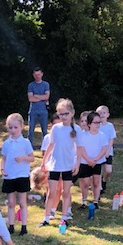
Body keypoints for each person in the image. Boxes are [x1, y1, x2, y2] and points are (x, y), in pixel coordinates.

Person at [39, 98, 82, 228]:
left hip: (68, 165)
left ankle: (64, 218)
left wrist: (77, 164)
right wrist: (44, 161)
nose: (63, 117)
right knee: (52, 192)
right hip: (55, 165)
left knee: (66, 192)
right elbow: (51, 145)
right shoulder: (56, 128)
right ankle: (46, 218)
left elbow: (79, 150)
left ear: (72, 113)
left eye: (66, 114)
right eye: (60, 114)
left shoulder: (77, 130)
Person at [1, 113, 34, 236]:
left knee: (22, 202)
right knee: (10, 202)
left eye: (15, 127)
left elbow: (32, 158)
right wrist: (2, 169)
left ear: (21, 127)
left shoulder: (25, 142)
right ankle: (11, 225)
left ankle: (24, 226)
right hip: (9, 176)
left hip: (22, 175)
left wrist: (23, 158)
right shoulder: (6, 143)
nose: (13, 130)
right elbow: (3, 158)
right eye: (10, 128)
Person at [77, 111, 107, 209]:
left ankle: (95, 201)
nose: (97, 125)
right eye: (95, 122)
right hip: (85, 162)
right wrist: (88, 160)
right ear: (89, 124)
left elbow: (104, 149)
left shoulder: (102, 135)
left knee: (96, 181)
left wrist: (95, 160)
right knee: (85, 182)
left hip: (97, 162)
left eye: (99, 122)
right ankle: (84, 200)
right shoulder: (83, 135)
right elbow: (81, 149)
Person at [96, 105, 116, 194]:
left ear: (108, 115)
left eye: (104, 113)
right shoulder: (96, 126)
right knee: (98, 170)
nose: (102, 115)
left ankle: (104, 181)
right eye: (100, 113)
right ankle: (99, 187)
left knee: (108, 170)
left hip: (108, 152)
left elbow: (112, 139)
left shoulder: (110, 126)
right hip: (98, 152)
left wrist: (108, 151)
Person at [27, 67, 50, 145]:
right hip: (33, 111)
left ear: (42, 74)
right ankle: (29, 147)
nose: (37, 76)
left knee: (44, 131)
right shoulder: (31, 85)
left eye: (39, 74)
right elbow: (30, 98)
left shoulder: (46, 84)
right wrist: (42, 97)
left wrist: (36, 96)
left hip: (43, 111)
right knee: (30, 130)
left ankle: (45, 146)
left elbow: (47, 97)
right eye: (36, 75)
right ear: (33, 75)